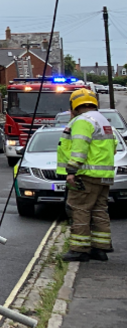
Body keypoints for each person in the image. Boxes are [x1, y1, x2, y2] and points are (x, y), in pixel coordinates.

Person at [57, 88, 115, 262]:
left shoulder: (82, 121)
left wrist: (72, 170)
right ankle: (100, 248)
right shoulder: (102, 120)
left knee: (79, 209)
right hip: (103, 176)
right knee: (99, 210)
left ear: (74, 105)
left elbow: (79, 148)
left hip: (86, 175)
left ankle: (79, 249)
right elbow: (114, 146)